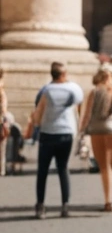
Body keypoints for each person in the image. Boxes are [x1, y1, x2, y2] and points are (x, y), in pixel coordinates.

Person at [25, 62, 84, 219]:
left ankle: (40, 205)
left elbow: (38, 113)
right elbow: (80, 104)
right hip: (66, 132)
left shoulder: (46, 90)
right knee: (63, 169)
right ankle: (65, 205)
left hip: (48, 132)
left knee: (43, 170)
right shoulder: (74, 89)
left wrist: (36, 125)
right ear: (63, 74)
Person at [79, 68, 112, 212]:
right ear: (111, 76)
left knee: (104, 167)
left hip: (96, 130)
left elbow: (87, 114)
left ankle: (107, 201)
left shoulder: (94, 91)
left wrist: (82, 130)